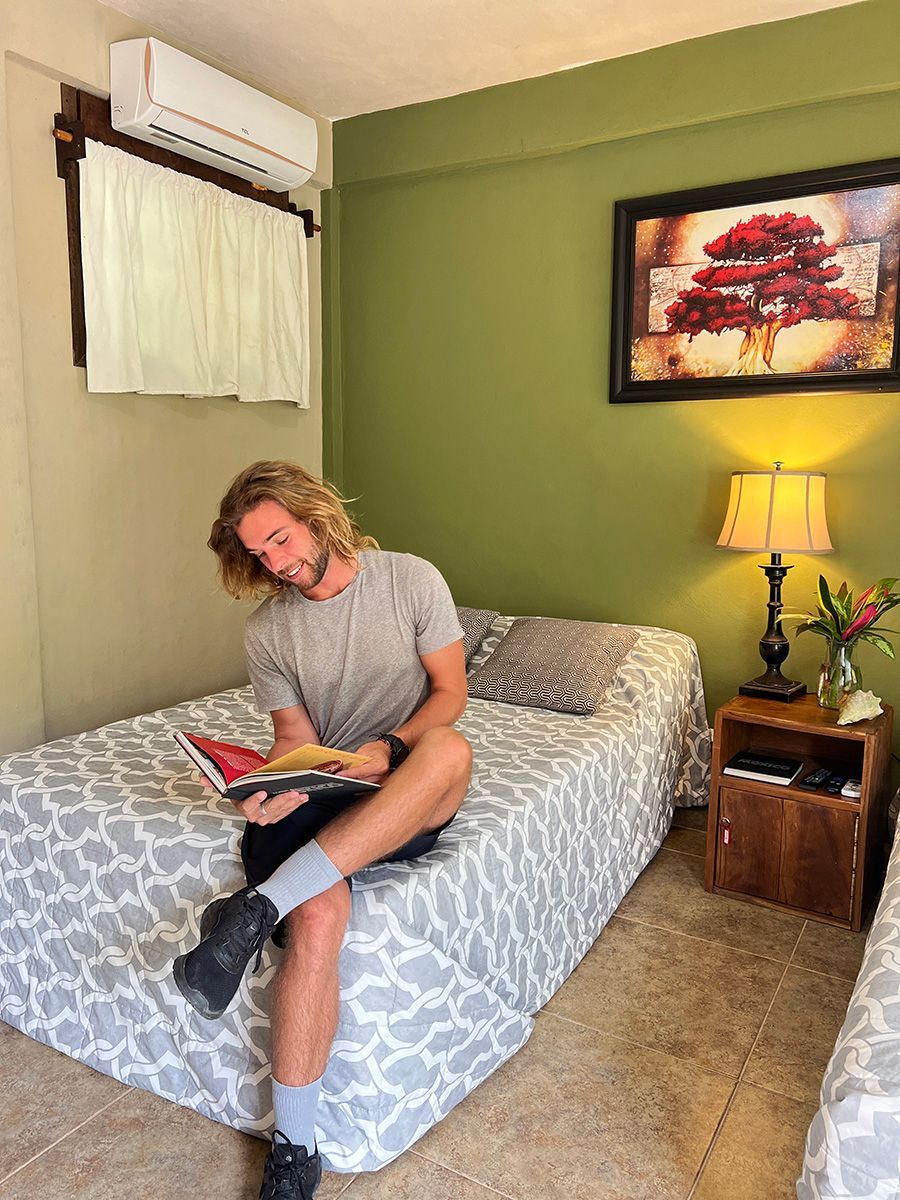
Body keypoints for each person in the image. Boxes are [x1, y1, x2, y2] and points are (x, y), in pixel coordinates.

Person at [173, 460, 472, 1200]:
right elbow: (294, 738)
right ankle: (295, 1148)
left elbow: (451, 693)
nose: (275, 562)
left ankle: (252, 912)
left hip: (405, 779)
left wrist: (387, 748)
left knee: (450, 749)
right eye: (258, 553)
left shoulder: (411, 581)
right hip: (326, 786)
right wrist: (269, 788)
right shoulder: (268, 631)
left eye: (280, 539)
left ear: (315, 515)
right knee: (316, 917)